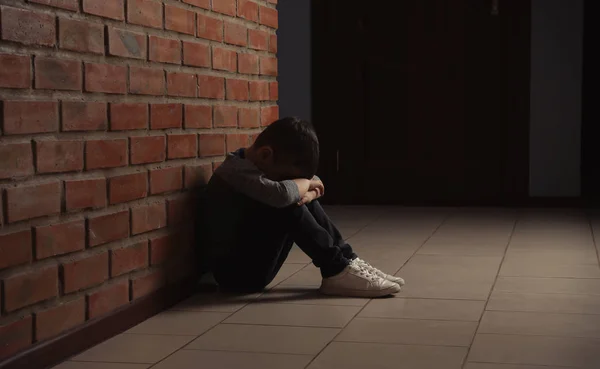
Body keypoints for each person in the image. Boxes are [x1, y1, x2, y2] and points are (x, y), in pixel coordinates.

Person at [197, 117, 404, 298]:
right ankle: (335, 270)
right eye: (284, 176)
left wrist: (310, 191)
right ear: (265, 154)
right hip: (238, 276)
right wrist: (306, 188)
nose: (286, 181)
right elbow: (284, 193)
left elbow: (310, 181)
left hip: (251, 265)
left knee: (294, 195)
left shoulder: (255, 164)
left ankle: (346, 260)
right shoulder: (234, 173)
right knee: (286, 200)